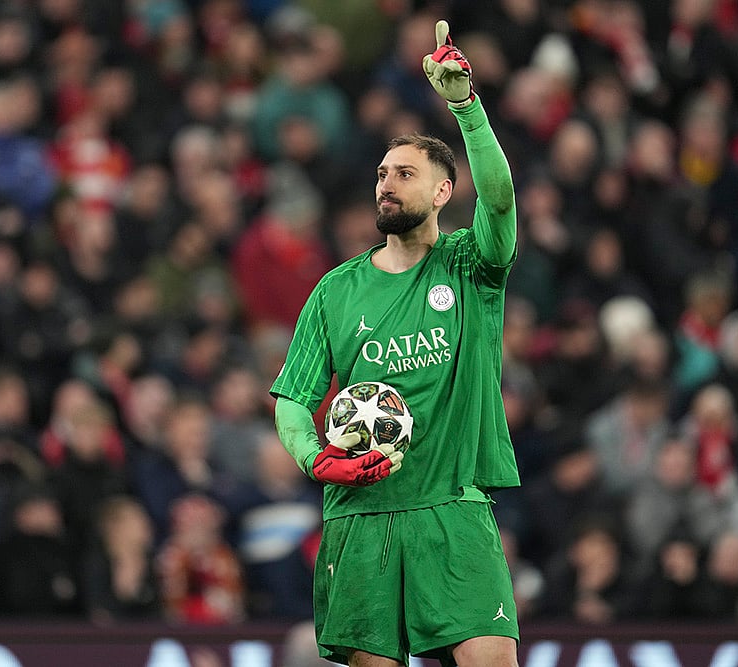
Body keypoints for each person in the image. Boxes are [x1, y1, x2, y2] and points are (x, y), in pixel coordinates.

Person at [271, 20, 520, 667]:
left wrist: (467, 108)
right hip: (362, 514)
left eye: (405, 173)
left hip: (453, 507)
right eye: (382, 173)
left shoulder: (471, 266)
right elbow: (292, 400)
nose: (387, 182)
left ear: (443, 190)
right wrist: (313, 456)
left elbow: (499, 198)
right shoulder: (335, 290)